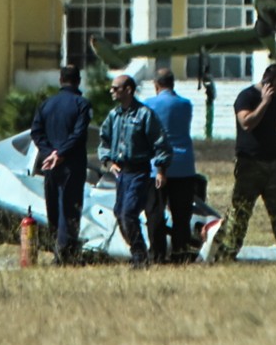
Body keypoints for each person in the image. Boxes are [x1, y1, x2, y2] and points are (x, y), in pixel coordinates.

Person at [211, 64, 276, 264]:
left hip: (273, 164)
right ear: (267, 82)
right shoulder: (247, 97)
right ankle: (225, 255)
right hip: (250, 164)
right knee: (240, 213)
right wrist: (265, 102)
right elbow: (246, 123)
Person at [98, 74, 172, 268]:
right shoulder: (114, 116)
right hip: (122, 174)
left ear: (128, 90)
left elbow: (161, 143)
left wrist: (161, 170)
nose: (111, 91)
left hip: (140, 172)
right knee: (120, 213)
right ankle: (138, 251)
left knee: (129, 213)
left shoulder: (145, 115)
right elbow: (104, 139)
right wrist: (107, 161)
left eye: (116, 88)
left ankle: (140, 255)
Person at [31, 65, 93, 265]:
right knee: (70, 208)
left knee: (54, 208)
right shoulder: (81, 104)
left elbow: (36, 132)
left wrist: (50, 153)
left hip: (50, 164)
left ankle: (58, 250)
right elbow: (79, 134)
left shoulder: (46, 104)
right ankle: (66, 255)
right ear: (78, 80)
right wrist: (62, 153)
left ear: (60, 80)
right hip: (72, 164)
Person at [144, 68, 198, 264]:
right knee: (181, 214)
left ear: (156, 85)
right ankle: (180, 252)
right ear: (173, 84)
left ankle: (157, 254)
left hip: (156, 166)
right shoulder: (186, 104)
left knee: (155, 212)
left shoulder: (148, 104)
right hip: (184, 164)